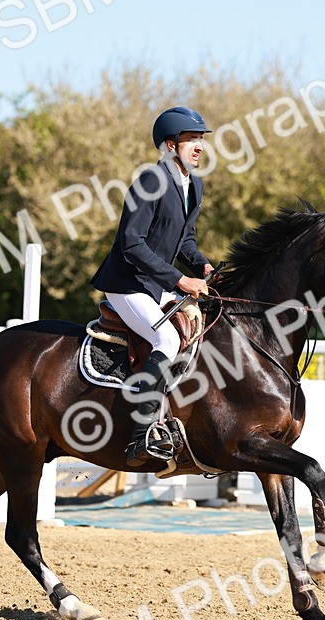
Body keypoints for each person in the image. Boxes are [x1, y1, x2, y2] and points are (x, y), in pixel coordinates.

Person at [91, 106, 215, 467]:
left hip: (157, 284)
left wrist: (205, 266)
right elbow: (132, 243)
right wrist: (180, 279)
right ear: (170, 145)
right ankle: (142, 434)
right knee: (168, 339)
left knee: (203, 328)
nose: (199, 147)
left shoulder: (195, 185)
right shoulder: (150, 181)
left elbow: (184, 242)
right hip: (127, 284)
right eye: (192, 140)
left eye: (201, 140)